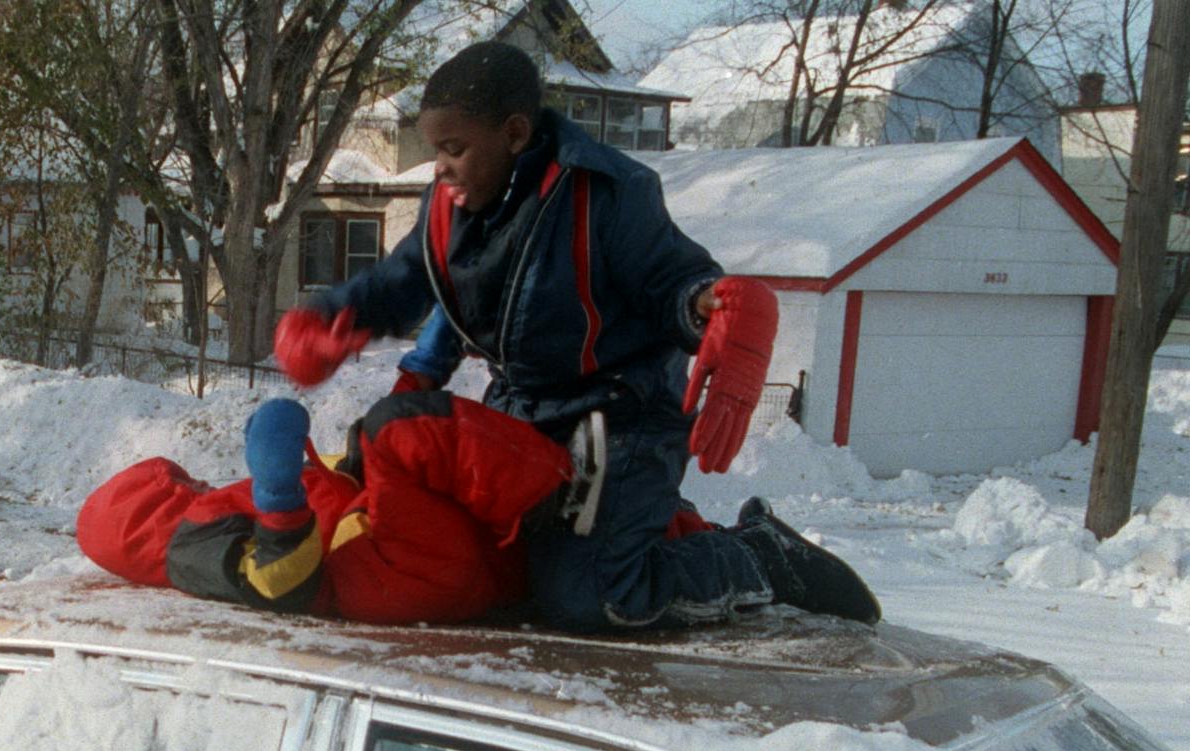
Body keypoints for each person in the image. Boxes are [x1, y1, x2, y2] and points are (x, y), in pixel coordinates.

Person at [274, 41, 878, 628]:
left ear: (514, 134)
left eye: (454, 148)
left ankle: (756, 556)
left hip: (620, 418)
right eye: (436, 149)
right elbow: (400, 283)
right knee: (495, 567)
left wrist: (717, 308)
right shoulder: (447, 206)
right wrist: (333, 318)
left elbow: (674, 284)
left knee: (589, 597)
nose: (440, 166)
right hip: (521, 414)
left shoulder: (608, 193)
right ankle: (638, 528)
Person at [80, 395, 625, 625]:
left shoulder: (203, 521)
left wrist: (352, 465)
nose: (194, 479)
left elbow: (330, 494)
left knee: (386, 444)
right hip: (373, 574)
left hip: (386, 559)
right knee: (399, 427)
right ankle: (559, 492)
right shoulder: (186, 546)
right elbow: (278, 582)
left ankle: (668, 538)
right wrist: (276, 487)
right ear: (154, 499)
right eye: (178, 480)